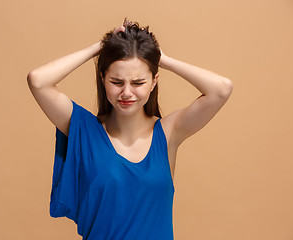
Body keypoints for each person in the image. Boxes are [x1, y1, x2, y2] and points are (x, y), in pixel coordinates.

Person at [27, 19, 233, 240]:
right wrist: (101, 46)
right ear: (102, 78)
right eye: (117, 82)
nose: (127, 93)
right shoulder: (84, 129)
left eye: (138, 83)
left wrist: (162, 59)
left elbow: (221, 89)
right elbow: (38, 80)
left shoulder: (168, 132)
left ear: (154, 81)